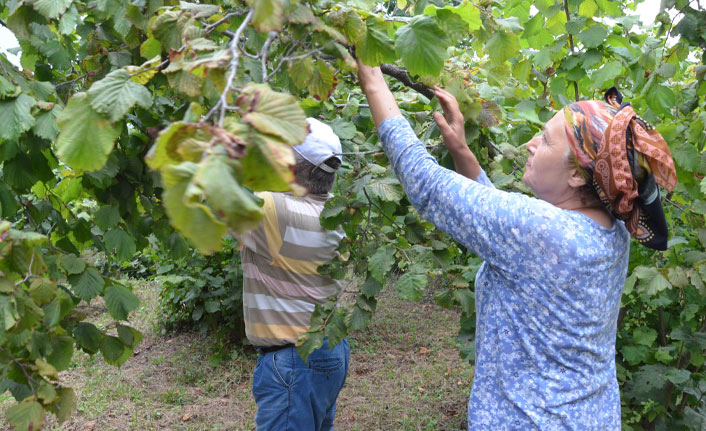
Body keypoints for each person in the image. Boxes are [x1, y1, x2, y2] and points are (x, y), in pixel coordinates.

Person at [356, 59, 676, 431]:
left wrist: (374, 83)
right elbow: (511, 235)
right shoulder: (609, 230)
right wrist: (461, 150)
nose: (530, 144)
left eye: (545, 139)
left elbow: (426, 186)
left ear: (576, 174)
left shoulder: (543, 232)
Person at [240, 117, 349, 431]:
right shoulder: (339, 214)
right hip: (330, 352)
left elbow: (214, 192)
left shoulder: (273, 211)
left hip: (292, 363)